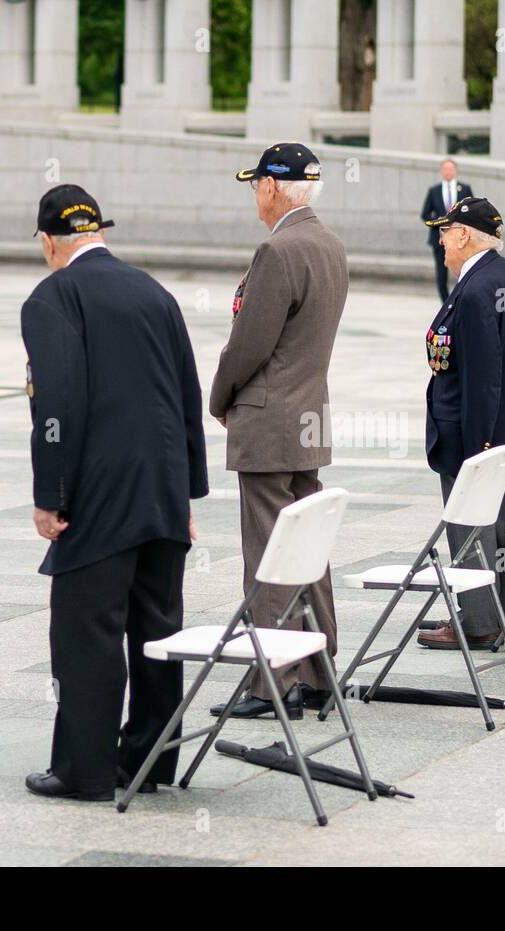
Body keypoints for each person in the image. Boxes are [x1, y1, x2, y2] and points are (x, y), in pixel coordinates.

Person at [21, 185, 209, 802]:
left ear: (49, 242)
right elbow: (187, 394)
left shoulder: (53, 296)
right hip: (160, 493)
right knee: (157, 631)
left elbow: (56, 404)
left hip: (100, 496)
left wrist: (50, 494)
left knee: (87, 631)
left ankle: (85, 771)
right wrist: (186, 496)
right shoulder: (155, 292)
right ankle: (151, 762)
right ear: (100, 231)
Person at [208, 144, 348, 720]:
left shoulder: (278, 249)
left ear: (272, 187)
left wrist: (218, 397)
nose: (255, 196)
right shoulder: (329, 244)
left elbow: (250, 344)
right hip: (308, 416)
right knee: (307, 548)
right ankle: (317, 672)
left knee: (267, 551)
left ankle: (271, 682)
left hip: (269, 421)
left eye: (256, 185)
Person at [416, 197, 505, 649]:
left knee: (470, 524)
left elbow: (483, 377)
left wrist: (477, 445)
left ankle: (478, 622)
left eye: (445, 232)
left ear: (465, 235)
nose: (440, 241)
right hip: (496, 432)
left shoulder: (475, 289)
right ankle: (498, 612)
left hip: (474, 434)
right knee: (496, 523)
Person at [421, 158, 474, 303]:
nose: (448, 171)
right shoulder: (434, 191)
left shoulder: (465, 188)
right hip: (440, 240)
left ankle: (462, 300)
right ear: (441, 171)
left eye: (451, 169)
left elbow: (473, 211)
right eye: (445, 169)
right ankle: (446, 303)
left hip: (462, 239)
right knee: (441, 273)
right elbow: (425, 214)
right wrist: (440, 222)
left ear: (455, 170)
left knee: (465, 271)